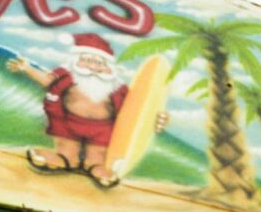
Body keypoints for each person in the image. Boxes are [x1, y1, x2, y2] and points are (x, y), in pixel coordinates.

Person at [8, 33, 164, 189]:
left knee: (97, 155)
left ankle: (95, 167)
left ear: (111, 67)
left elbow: (137, 108)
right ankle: (67, 159)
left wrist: (157, 116)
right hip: (68, 123)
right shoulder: (66, 76)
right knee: (66, 147)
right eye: (87, 60)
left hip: (102, 129)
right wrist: (27, 68)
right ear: (75, 61)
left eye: (100, 63)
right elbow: (48, 81)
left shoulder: (118, 88)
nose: (93, 66)